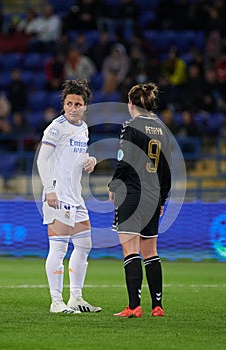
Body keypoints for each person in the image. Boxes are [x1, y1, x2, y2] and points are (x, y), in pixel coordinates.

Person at [37, 79, 102, 314]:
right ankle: (56, 302)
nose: (73, 108)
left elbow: (78, 157)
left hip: (76, 197)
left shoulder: (83, 128)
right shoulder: (56, 128)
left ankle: (76, 298)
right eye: (69, 103)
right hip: (58, 195)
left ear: (85, 107)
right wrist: (49, 189)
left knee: (84, 245)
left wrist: (91, 160)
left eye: (78, 104)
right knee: (58, 249)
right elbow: (42, 160)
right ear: (64, 105)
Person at [108, 82, 172, 318]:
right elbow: (167, 169)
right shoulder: (163, 130)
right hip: (154, 196)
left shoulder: (131, 126)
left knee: (130, 249)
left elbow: (124, 160)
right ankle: (158, 306)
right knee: (151, 251)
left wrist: (114, 184)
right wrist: (163, 198)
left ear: (130, 103)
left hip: (132, 192)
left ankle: (134, 306)